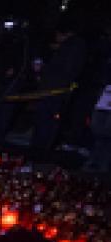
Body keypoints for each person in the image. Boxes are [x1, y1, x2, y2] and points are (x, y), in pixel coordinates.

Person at [31, 17, 86, 160]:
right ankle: (41, 150)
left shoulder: (71, 48)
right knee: (48, 122)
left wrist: (43, 70)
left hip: (53, 91)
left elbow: (63, 70)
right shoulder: (75, 46)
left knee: (45, 122)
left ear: (64, 33)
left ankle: (38, 152)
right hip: (55, 91)